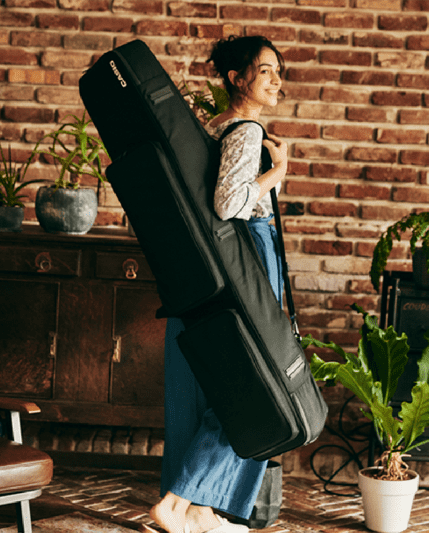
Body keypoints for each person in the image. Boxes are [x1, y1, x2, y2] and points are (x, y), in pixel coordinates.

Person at [144, 36, 289, 533]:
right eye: (266, 71)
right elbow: (230, 202)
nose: (276, 81)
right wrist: (278, 174)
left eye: (277, 72)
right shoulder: (246, 129)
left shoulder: (214, 125)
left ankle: (200, 512)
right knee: (253, 383)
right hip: (250, 253)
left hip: (217, 264)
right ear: (236, 78)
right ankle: (176, 502)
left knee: (206, 384)